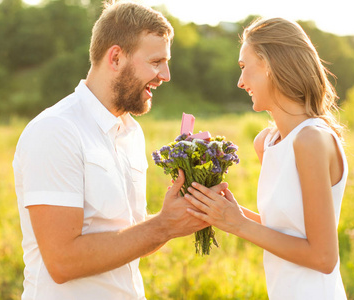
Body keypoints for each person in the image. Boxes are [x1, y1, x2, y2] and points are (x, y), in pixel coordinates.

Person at [13, 1, 220, 299]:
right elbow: (61, 262)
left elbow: (124, 236)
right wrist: (163, 226)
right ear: (115, 58)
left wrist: (177, 215)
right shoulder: (56, 130)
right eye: (156, 62)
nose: (166, 75)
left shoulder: (131, 133)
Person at [185, 17, 348, 299]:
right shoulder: (267, 142)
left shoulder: (311, 139)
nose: (239, 82)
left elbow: (323, 258)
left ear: (270, 66)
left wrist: (238, 224)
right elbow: (285, 232)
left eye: (243, 67)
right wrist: (225, 212)